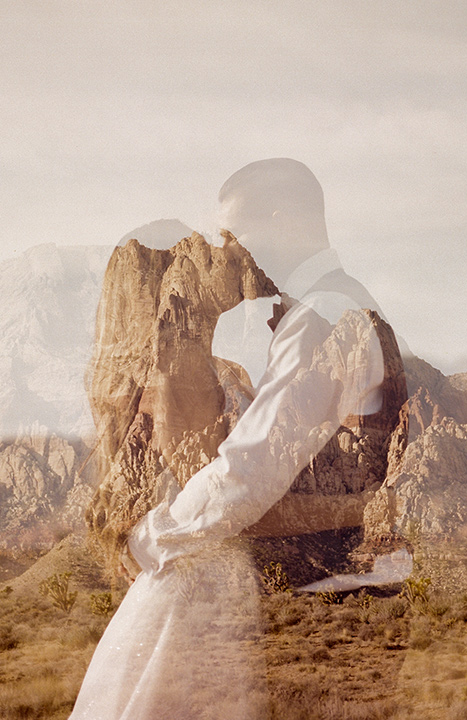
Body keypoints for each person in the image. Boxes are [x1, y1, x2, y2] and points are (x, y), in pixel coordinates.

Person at [70, 158, 401, 719]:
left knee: (177, 586)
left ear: (279, 222)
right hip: (316, 553)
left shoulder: (320, 319)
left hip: (329, 565)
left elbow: (251, 473)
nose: (229, 251)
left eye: (234, 233)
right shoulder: (336, 303)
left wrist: (156, 537)